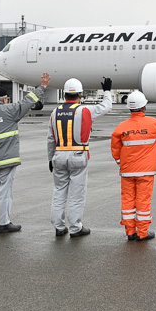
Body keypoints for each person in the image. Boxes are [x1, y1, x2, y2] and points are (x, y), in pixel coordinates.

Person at [0, 73, 50, 234]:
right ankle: (4, 223)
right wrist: (42, 87)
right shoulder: (9, 110)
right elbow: (27, 102)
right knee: (5, 191)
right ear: (4, 99)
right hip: (7, 160)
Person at [47, 77, 113, 238]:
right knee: (77, 194)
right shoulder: (85, 111)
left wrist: (50, 158)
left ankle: (59, 227)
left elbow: (50, 139)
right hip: (78, 155)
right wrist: (107, 92)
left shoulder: (55, 112)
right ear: (80, 94)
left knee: (59, 192)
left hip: (59, 156)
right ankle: (75, 228)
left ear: (64, 95)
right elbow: (106, 106)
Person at [111, 90, 156, 241]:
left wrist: (122, 164)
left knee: (128, 201)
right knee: (143, 201)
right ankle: (142, 233)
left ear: (129, 108)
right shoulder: (153, 124)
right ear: (144, 107)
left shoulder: (121, 127)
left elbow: (115, 149)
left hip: (127, 172)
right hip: (146, 172)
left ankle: (130, 232)